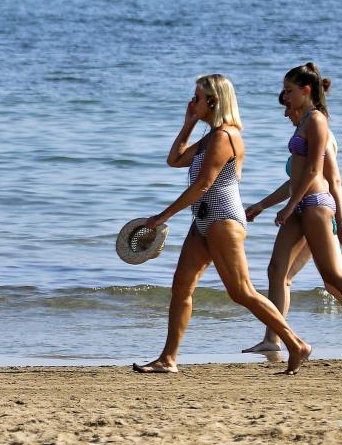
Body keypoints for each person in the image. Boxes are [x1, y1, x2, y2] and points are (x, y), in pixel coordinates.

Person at [133, 74, 312, 375]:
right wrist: (189, 122)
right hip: (203, 219)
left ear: (214, 101)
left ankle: (296, 343)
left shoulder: (224, 136)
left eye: (197, 98)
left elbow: (203, 185)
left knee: (242, 292)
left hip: (223, 219)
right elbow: (175, 160)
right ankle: (168, 358)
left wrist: (162, 217)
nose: (193, 102)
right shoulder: (210, 136)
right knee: (181, 288)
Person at [241, 87, 342, 352]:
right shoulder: (304, 132)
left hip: (318, 208)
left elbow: (332, 179)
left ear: (304, 95)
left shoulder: (321, 131)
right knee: (280, 272)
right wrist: (262, 205)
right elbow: (295, 182)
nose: (285, 113)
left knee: (332, 278)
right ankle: (272, 339)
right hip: (301, 208)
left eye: (287, 106)